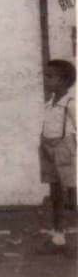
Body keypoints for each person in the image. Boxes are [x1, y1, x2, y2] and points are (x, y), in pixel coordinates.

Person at [38, 59, 76, 251]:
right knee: (55, 192)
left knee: (69, 191)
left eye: (50, 76)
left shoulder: (71, 104)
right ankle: (58, 235)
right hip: (47, 148)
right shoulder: (49, 104)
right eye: (45, 75)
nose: (45, 79)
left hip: (64, 149)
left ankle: (68, 238)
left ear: (64, 80)